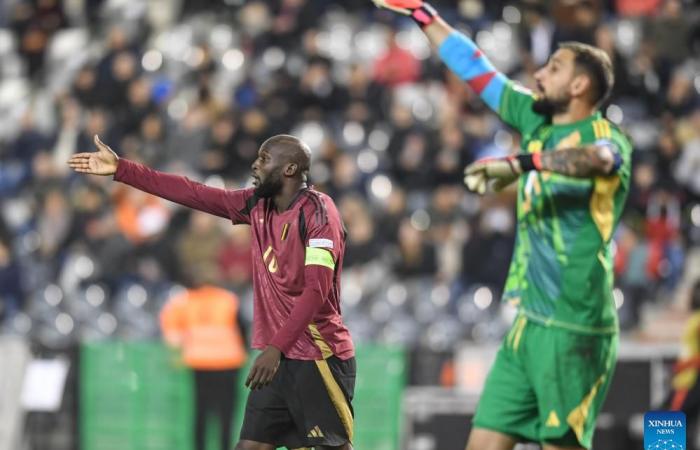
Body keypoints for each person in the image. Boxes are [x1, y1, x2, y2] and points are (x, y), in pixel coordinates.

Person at [372, 1, 633, 449]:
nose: (538, 75)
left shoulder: (605, 139)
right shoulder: (535, 118)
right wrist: (421, 14)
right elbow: (476, 69)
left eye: (552, 68)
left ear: (579, 84)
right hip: (527, 324)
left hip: (575, 327)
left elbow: (599, 162)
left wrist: (521, 164)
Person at [68, 134, 355, 450]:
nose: (254, 164)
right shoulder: (257, 205)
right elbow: (193, 193)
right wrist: (123, 169)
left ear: (289, 169)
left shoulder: (319, 213)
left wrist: (275, 348)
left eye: (264, 159)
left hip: (319, 355)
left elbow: (315, 291)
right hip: (280, 361)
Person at [160, 271, 247, 450]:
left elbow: (169, 327)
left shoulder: (185, 301)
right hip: (228, 362)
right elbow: (243, 328)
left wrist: (177, 351)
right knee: (226, 413)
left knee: (200, 411)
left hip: (199, 362)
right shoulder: (228, 299)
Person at [667, 280, 700, 450]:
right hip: (684, 379)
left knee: (666, 423)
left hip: (690, 380)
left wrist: (685, 365)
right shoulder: (695, 318)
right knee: (684, 427)